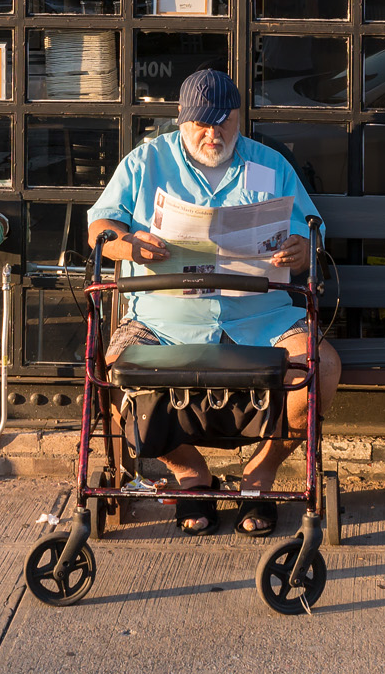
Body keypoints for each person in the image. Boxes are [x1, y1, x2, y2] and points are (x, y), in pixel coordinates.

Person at [88, 68, 341, 537]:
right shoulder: (146, 162)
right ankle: (190, 474)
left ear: (238, 117)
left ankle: (260, 474)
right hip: (164, 317)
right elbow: (101, 228)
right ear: (182, 121)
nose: (213, 133)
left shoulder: (269, 164)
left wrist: (306, 249)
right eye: (202, 123)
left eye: (223, 121)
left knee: (320, 369)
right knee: (115, 367)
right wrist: (130, 246)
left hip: (260, 315)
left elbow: (314, 229)